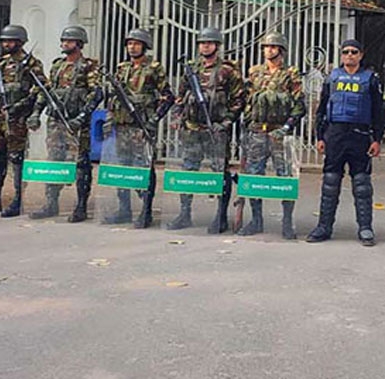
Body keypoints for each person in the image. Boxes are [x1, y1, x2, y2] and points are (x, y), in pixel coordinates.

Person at [167, 26, 245, 232]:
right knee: (188, 171)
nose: (205, 46)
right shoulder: (191, 68)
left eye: (209, 42)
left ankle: (220, 216)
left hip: (216, 130)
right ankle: (184, 214)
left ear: (217, 46)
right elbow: (180, 97)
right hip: (192, 129)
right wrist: (177, 117)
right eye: (202, 43)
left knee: (220, 173)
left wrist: (225, 124)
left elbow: (238, 100)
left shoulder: (228, 69)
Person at [308, 38, 384, 246]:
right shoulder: (332, 78)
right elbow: (322, 109)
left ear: (361, 55)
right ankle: (324, 226)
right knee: (330, 183)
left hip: (360, 136)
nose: (350, 55)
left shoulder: (370, 79)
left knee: (362, 186)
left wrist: (377, 139)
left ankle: (365, 228)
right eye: (346, 52)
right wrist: (319, 136)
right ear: (341, 55)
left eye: (354, 52)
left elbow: (379, 111)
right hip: (335, 135)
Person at [26, 25, 103, 222]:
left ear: (79, 44)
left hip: (76, 122)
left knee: (80, 163)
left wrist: (83, 117)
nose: (64, 44)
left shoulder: (88, 66)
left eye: (69, 41)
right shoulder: (57, 66)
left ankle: (81, 206)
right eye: (63, 41)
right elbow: (47, 92)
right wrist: (36, 113)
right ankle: (51, 203)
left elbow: (96, 94)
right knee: (54, 160)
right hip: (56, 121)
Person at [238, 31, 305, 238]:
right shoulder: (254, 72)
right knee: (253, 175)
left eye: (273, 47)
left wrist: (286, 128)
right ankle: (256, 220)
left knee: (285, 178)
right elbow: (247, 101)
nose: (269, 50)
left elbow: (299, 105)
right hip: (257, 132)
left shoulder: (290, 74)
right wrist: (247, 127)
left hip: (279, 134)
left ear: (281, 50)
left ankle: (287, 222)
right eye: (267, 47)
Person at [104, 27, 173, 228]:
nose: (132, 47)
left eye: (136, 43)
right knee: (122, 168)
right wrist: (110, 119)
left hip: (141, 127)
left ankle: (146, 210)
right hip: (122, 126)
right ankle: (124, 209)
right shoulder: (122, 68)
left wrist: (154, 119)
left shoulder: (154, 68)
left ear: (145, 46)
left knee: (143, 167)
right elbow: (113, 97)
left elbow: (168, 96)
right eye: (130, 43)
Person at [0, 25, 43, 217]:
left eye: (10, 41)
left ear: (20, 42)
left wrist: (22, 107)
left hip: (16, 117)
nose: (6, 44)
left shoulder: (32, 64)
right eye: (4, 41)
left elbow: (38, 89)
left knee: (16, 158)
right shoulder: (1, 62)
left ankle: (18, 199)